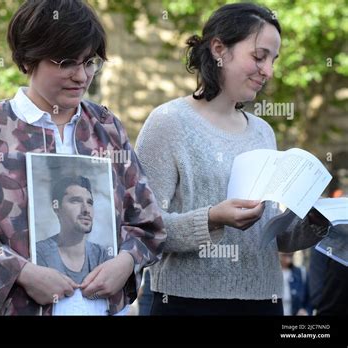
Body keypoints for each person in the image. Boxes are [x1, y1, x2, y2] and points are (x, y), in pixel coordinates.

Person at [0, 0, 165, 316]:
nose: (81, 76)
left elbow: (148, 223)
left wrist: (126, 261)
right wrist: (21, 273)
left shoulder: (107, 128)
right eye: (67, 62)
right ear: (29, 58)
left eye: (90, 62)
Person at [135, 2, 329, 315]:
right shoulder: (168, 121)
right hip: (187, 305)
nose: (268, 71)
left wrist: (316, 223)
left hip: (265, 304)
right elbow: (144, 228)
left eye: (273, 60)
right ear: (219, 50)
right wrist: (212, 218)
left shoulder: (263, 132)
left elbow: (269, 236)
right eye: (259, 56)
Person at [36, 176, 111, 282]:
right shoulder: (40, 254)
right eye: (76, 201)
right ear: (57, 208)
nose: (86, 210)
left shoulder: (101, 255)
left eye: (89, 203)